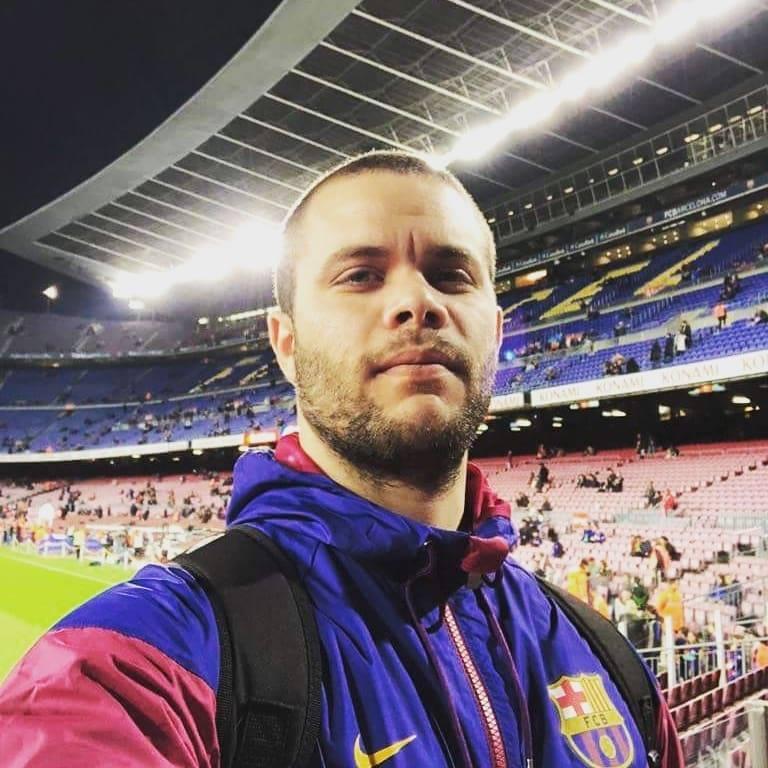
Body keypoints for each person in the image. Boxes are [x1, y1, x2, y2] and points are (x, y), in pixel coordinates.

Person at [0, 152, 682, 766]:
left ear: (496, 331)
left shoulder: (608, 662)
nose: (418, 302)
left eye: (451, 275)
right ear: (286, 343)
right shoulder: (136, 667)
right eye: (361, 275)